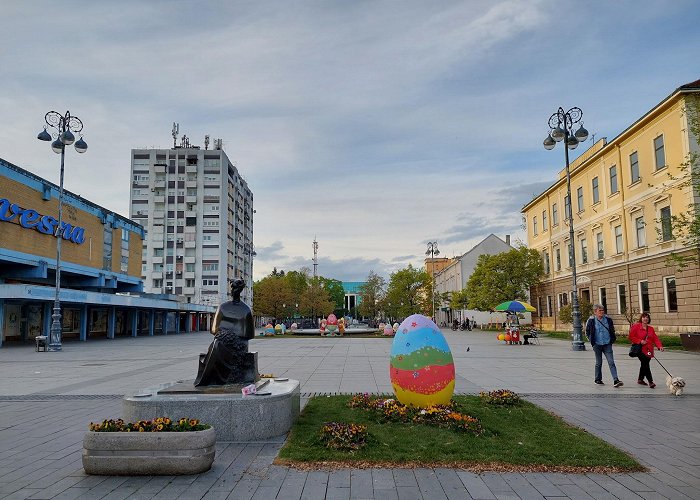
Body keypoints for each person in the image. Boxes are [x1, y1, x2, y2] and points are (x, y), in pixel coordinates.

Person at [585, 304, 623, 387]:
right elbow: (587, 332)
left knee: (611, 362)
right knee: (599, 362)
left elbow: (612, 329)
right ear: (595, 312)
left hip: (607, 344)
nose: (602, 312)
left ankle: (616, 380)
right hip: (597, 344)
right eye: (600, 310)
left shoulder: (608, 319)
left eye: (603, 310)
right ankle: (598, 379)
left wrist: (612, 339)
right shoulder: (591, 320)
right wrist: (592, 342)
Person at [628, 312, 664, 388]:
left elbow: (655, 338)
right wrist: (640, 341)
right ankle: (651, 382)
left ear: (649, 319)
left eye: (647, 317)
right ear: (641, 318)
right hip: (640, 349)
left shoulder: (651, 329)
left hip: (649, 350)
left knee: (644, 364)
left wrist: (659, 346)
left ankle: (640, 379)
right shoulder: (636, 327)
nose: (645, 319)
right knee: (646, 364)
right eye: (644, 317)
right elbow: (631, 337)